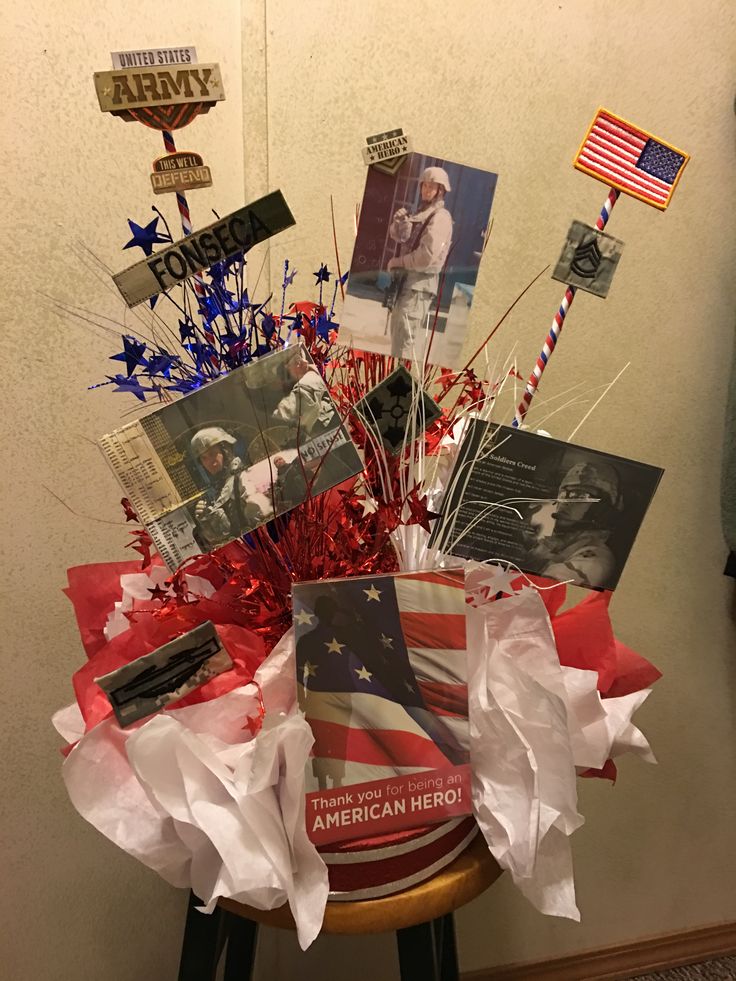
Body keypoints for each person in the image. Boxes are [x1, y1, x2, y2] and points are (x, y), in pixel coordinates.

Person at [386, 166, 453, 359]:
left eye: (431, 186)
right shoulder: (422, 213)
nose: (425, 190)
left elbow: (426, 257)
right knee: (398, 339)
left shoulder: (440, 218)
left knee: (405, 343)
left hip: (418, 288)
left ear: (441, 191)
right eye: (424, 185)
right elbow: (404, 240)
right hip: (406, 285)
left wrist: (398, 262)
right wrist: (398, 224)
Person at [527, 460, 623, 589]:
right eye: (564, 494)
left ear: (601, 509)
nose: (566, 501)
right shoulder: (559, 542)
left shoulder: (595, 560)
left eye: (580, 495)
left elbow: (542, 594)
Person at [189, 426, 266, 547]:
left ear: (226, 450)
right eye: (204, 458)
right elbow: (220, 537)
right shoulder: (222, 485)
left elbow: (260, 522)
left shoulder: (243, 478)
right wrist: (205, 519)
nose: (210, 462)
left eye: (213, 454)